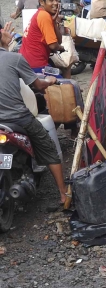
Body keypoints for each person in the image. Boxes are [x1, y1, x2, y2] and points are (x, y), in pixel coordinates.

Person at [0, 20, 69, 205]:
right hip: (18, 119)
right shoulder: (14, 59)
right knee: (48, 148)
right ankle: (63, 194)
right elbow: (37, 85)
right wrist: (50, 81)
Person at [19, 0, 71, 79]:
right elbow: (54, 46)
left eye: (57, 0)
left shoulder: (42, 14)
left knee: (63, 70)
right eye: (51, 0)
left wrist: (55, 22)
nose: (55, 3)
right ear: (42, 2)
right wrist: (61, 48)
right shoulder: (44, 16)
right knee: (66, 86)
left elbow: (58, 41)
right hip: (36, 65)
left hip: (28, 61)